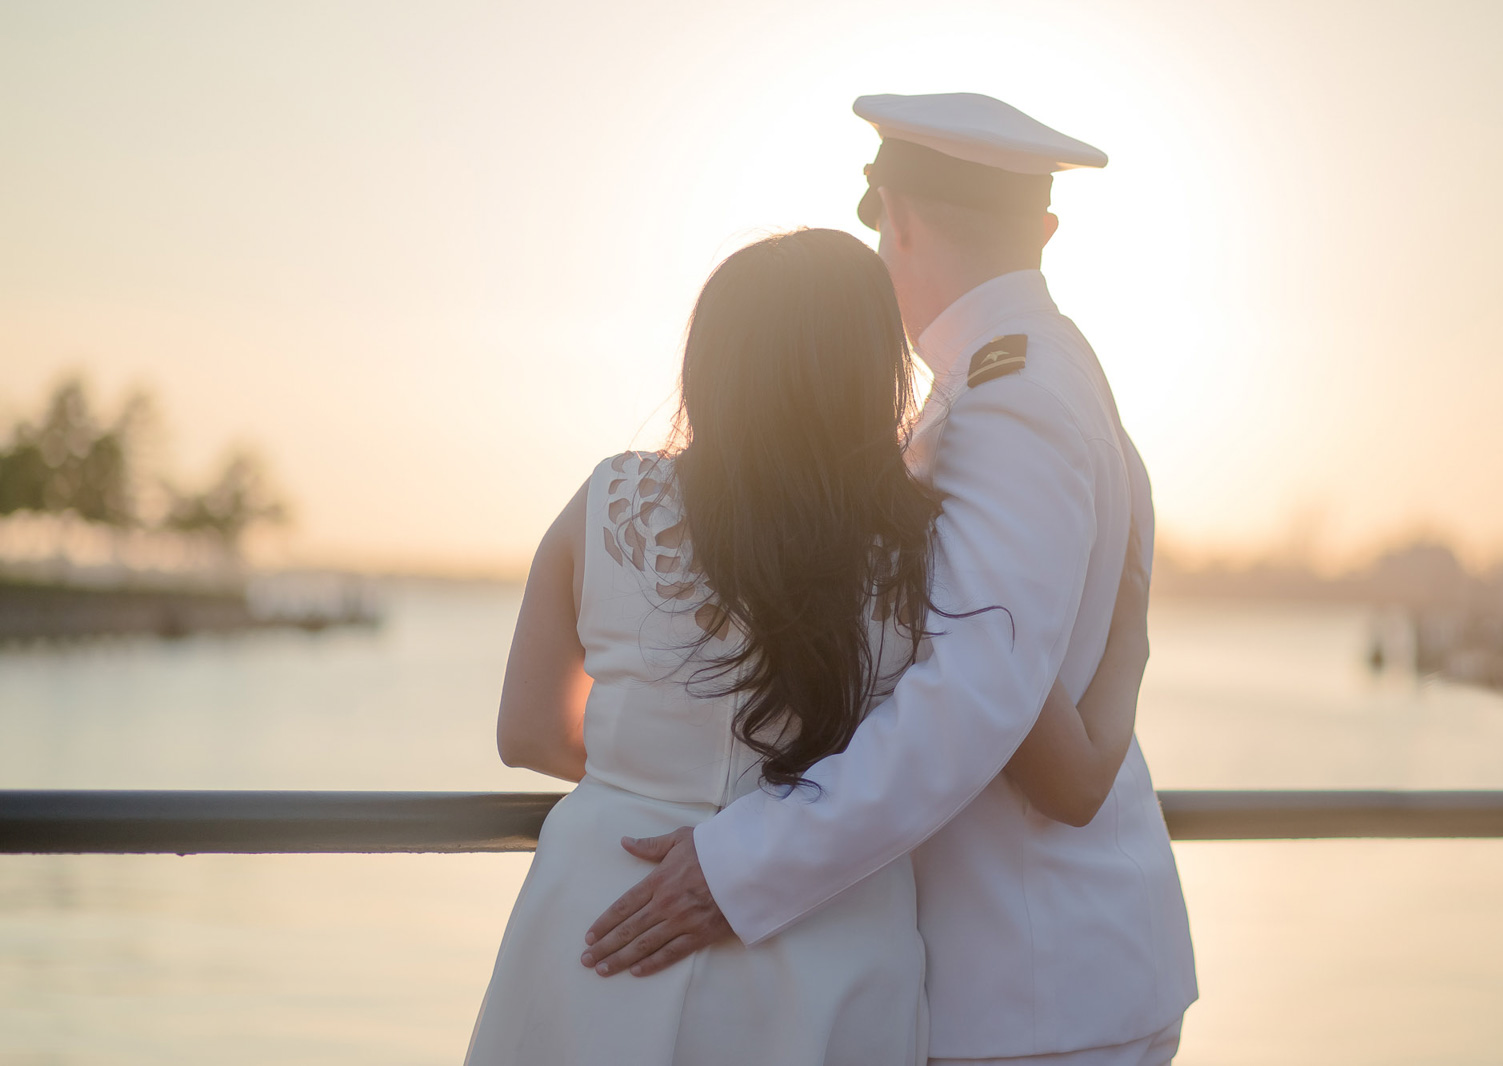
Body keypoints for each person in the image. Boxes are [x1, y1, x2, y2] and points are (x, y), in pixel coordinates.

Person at [581, 94, 1199, 1066]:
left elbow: (970, 693)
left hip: (1025, 992)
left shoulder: (1002, 408)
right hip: (1061, 976)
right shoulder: (1055, 370)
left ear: (895, 218)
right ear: (1040, 227)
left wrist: (742, 867)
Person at [465, 226, 1153, 1065]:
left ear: (711, 362)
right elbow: (1053, 759)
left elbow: (528, 732)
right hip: (823, 949)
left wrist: (652, 779)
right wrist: (1132, 634)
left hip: (603, 919)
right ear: (873, 372)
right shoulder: (926, 548)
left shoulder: (613, 499)